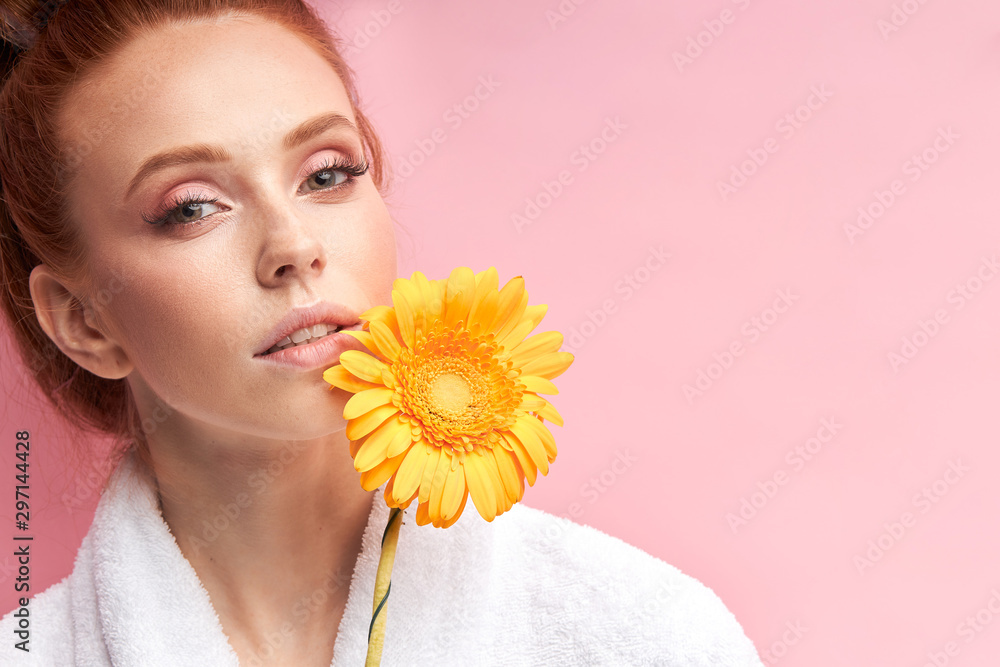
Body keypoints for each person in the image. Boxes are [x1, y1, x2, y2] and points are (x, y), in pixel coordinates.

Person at [0, 1, 765, 665]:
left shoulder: (641, 636)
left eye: (327, 173)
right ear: (84, 319)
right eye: (193, 206)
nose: (294, 244)